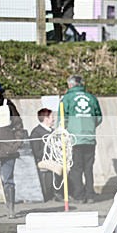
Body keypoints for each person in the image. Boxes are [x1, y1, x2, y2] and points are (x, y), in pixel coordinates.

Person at [0, 81, 25, 219]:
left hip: (8, 150)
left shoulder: (9, 105)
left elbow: (18, 125)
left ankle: (11, 210)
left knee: (8, 180)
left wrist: (17, 143)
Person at [61, 75, 102, 203]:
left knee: (76, 168)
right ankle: (90, 195)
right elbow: (99, 118)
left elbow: (63, 119)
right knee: (88, 168)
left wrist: (63, 132)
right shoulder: (91, 98)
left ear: (70, 85)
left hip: (74, 139)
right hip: (90, 138)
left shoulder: (66, 98)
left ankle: (79, 196)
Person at [29, 108, 58, 202]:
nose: (53, 119)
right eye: (51, 117)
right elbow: (36, 151)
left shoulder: (53, 131)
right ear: (46, 118)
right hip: (43, 160)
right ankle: (53, 193)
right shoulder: (36, 132)